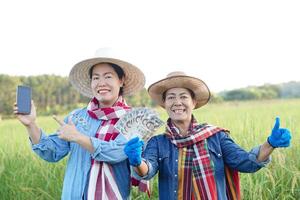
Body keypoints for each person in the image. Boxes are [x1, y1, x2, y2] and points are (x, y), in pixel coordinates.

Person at [124, 71, 292, 200]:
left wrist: (270, 144)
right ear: (165, 104)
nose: (177, 102)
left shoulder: (216, 137)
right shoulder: (158, 142)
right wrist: (137, 161)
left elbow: (246, 162)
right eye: (171, 97)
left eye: (183, 97)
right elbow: (148, 170)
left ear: (193, 102)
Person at [14, 50, 146, 200]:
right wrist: (31, 124)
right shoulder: (77, 117)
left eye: (108, 76)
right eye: (96, 77)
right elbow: (52, 152)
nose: (101, 83)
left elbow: (116, 153)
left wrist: (78, 137)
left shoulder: (135, 119)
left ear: (121, 80)